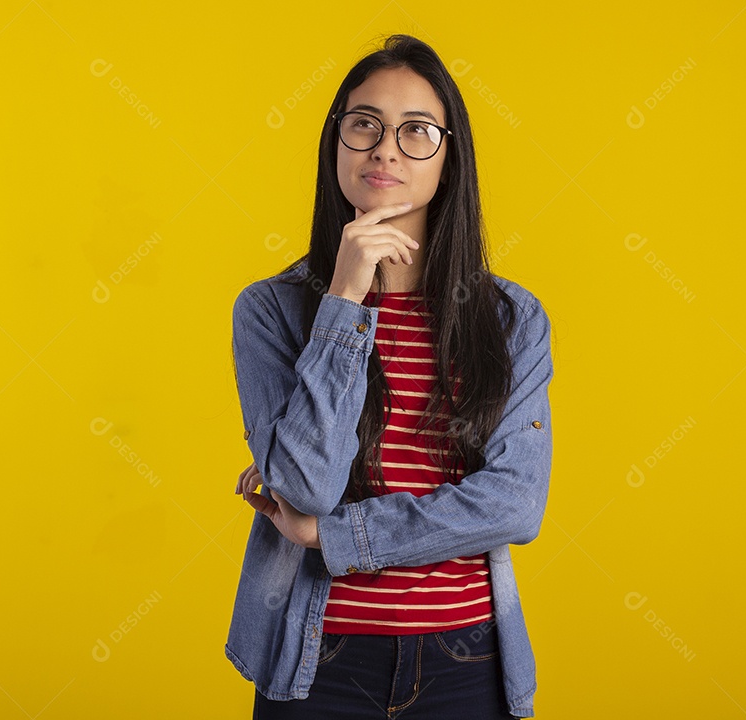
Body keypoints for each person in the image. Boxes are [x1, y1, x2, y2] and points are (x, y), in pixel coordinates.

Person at [226, 34, 554, 719]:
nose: (385, 148)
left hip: (470, 660)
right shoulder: (272, 311)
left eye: (416, 132)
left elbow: (515, 505)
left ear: (449, 160)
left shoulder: (511, 319)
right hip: (319, 660)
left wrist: (335, 538)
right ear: (336, 143)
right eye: (365, 125)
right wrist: (343, 302)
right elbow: (308, 485)